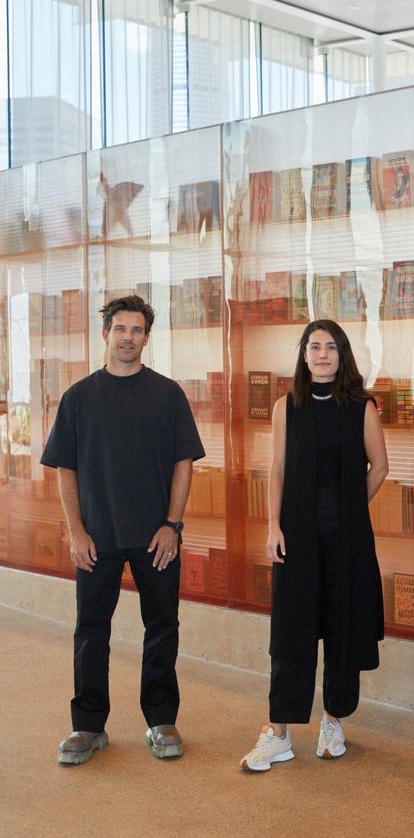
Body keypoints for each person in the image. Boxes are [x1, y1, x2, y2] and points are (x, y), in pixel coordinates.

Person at [41, 294, 205, 765]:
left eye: (137, 330)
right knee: (91, 631)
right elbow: (64, 469)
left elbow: (183, 462)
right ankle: (88, 726)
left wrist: (172, 525)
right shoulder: (79, 398)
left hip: (157, 537)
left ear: (146, 338)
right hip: (97, 537)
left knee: (162, 627)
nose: (128, 337)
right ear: (106, 334)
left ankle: (160, 720)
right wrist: (76, 532)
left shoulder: (168, 394)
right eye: (121, 329)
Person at [240, 319, 388, 771]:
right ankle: (279, 732)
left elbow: (379, 467)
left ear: (342, 355)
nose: (322, 354)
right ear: (304, 355)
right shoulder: (287, 406)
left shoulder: (362, 406)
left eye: (330, 347)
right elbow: (278, 469)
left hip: (348, 539)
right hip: (296, 534)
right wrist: (273, 526)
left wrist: (347, 509)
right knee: (291, 630)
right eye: (314, 346)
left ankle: (333, 720)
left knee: (343, 626)